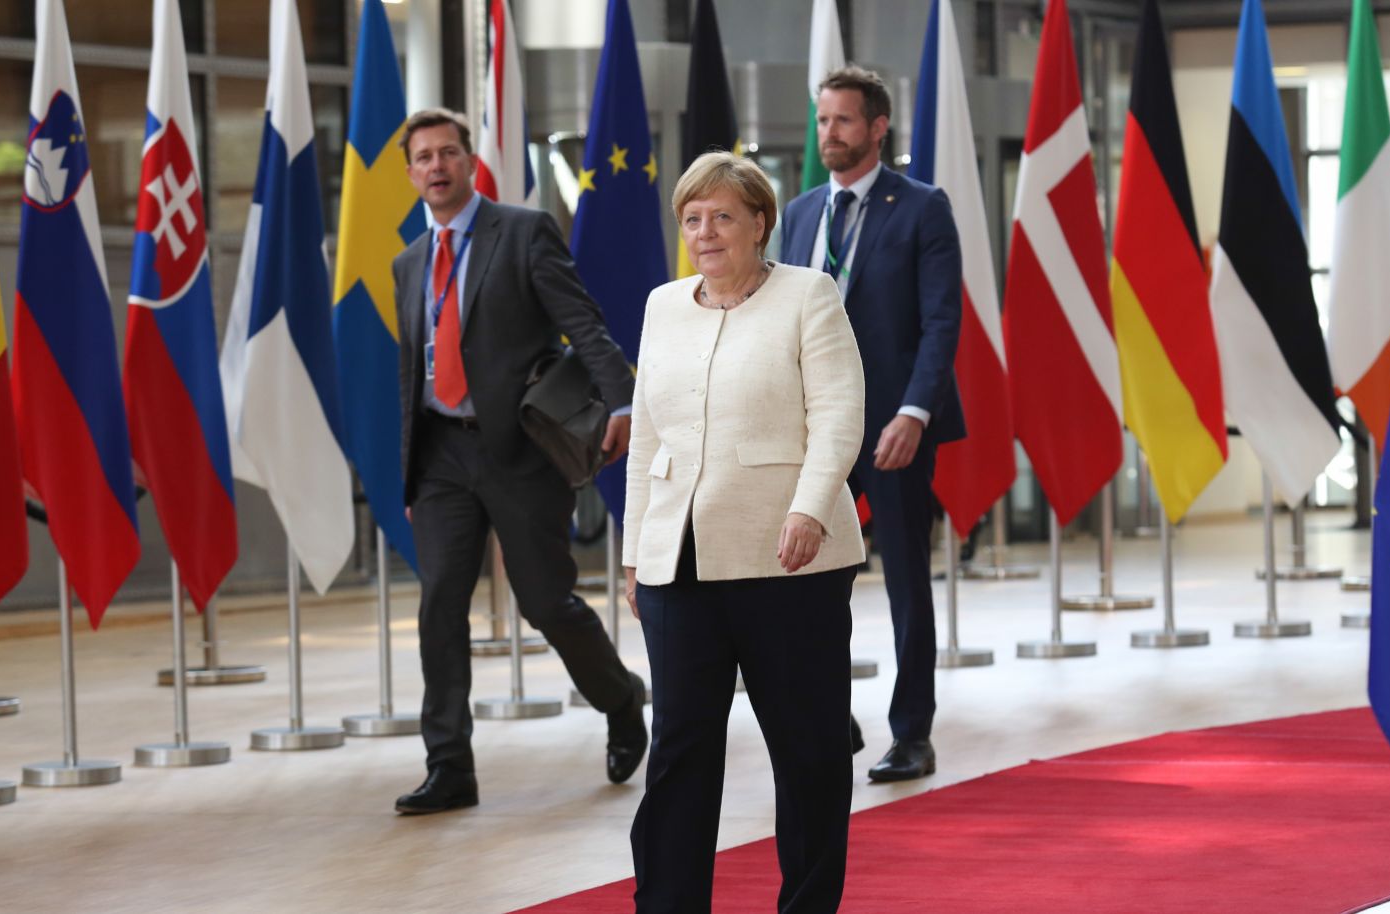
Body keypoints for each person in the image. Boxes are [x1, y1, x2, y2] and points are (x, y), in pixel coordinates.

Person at [623, 151, 866, 913]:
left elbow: (838, 413)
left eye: (723, 216)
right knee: (680, 754)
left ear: (761, 222)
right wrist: (635, 555)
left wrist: (809, 506)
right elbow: (645, 442)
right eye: (693, 219)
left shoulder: (808, 294)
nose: (706, 232)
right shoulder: (663, 304)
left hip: (787, 557)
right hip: (679, 565)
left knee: (809, 752)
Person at [392, 109, 647, 815]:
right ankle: (449, 766)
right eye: (423, 157)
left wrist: (622, 401)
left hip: (518, 449)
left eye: (448, 152)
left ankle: (622, 698)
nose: (436, 166)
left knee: (545, 602)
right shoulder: (408, 263)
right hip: (442, 455)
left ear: (470, 161)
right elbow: (412, 371)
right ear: (410, 173)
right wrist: (412, 472)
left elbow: (583, 322)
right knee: (441, 603)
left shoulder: (522, 231)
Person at [780, 65, 963, 783]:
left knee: (906, 584)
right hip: (814, 430)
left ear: (878, 127)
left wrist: (915, 412)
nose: (830, 134)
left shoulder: (921, 207)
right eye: (823, 121)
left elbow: (941, 321)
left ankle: (912, 733)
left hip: (893, 427)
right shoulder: (797, 215)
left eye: (844, 121)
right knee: (800, 582)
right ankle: (833, 716)